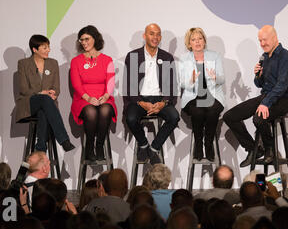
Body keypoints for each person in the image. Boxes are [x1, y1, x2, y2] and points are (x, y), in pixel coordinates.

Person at [223, 25, 288, 167]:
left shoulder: (286, 57)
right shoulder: (265, 57)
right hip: (266, 97)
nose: (262, 44)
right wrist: (258, 75)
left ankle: (270, 150)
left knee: (259, 118)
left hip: (283, 100)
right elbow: (260, 84)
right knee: (229, 116)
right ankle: (253, 148)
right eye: (260, 41)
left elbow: (281, 86)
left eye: (265, 40)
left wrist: (266, 103)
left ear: (274, 38)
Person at [123, 23, 179, 165]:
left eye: (158, 34)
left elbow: (172, 85)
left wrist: (163, 103)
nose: (155, 37)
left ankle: (153, 148)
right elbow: (129, 85)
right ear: (144, 36)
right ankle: (143, 145)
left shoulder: (167, 57)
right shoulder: (133, 56)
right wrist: (142, 103)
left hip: (160, 99)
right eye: (152, 33)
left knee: (174, 117)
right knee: (130, 118)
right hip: (139, 100)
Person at [15, 34, 75, 153]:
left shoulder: (53, 63)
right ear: (35, 49)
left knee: (44, 110)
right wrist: (40, 93)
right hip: (29, 102)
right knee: (44, 99)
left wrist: (54, 94)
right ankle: (64, 140)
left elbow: (56, 88)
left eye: (48, 47)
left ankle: (40, 147)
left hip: (47, 104)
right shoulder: (23, 63)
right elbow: (23, 89)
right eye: (44, 48)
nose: (49, 50)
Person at [70, 26, 117, 161]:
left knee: (106, 110)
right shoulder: (76, 61)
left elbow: (110, 80)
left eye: (87, 39)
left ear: (95, 39)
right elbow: (76, 84)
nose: (84, 43)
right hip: (83, 98)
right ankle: (89, 146)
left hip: (104, 96)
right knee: (91, 112)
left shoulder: (107, 60)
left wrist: (106, 96)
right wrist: (88, 98)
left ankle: (100, 145)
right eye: (81, 40)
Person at [179, 27, 225, 160]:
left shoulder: (214, 56)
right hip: (192, 97)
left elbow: (222, 79)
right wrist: (191, 80)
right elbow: (182, 83)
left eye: (200, 38)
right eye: (193, 39)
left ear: (204, 41)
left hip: (213, 95)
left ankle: (208, 144)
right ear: (189, 43)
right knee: (198, 112)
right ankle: (198, 145)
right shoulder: (184, 59)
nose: (197, 42)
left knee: (212, 110)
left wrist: (215, 76)